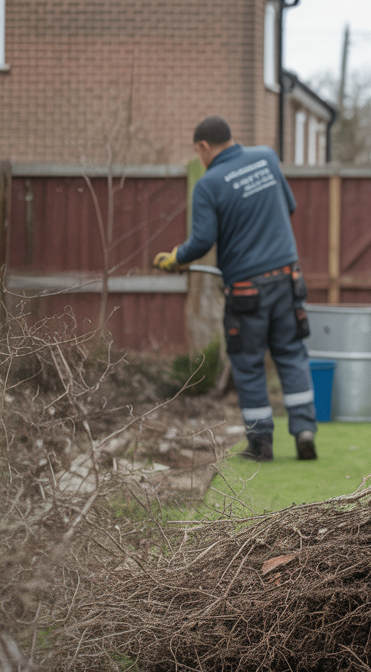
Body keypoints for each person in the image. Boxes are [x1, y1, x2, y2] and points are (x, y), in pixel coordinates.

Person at [154, 116, 318, 462]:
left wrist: (175, 258)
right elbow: (288, 206)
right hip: (288, 277)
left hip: (247, 289)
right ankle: (304, 431)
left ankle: (261, 445)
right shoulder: (266, 158)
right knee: (291, 353)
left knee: (248, 363)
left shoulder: (209, 183)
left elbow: (201, 242)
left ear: (203, 147)